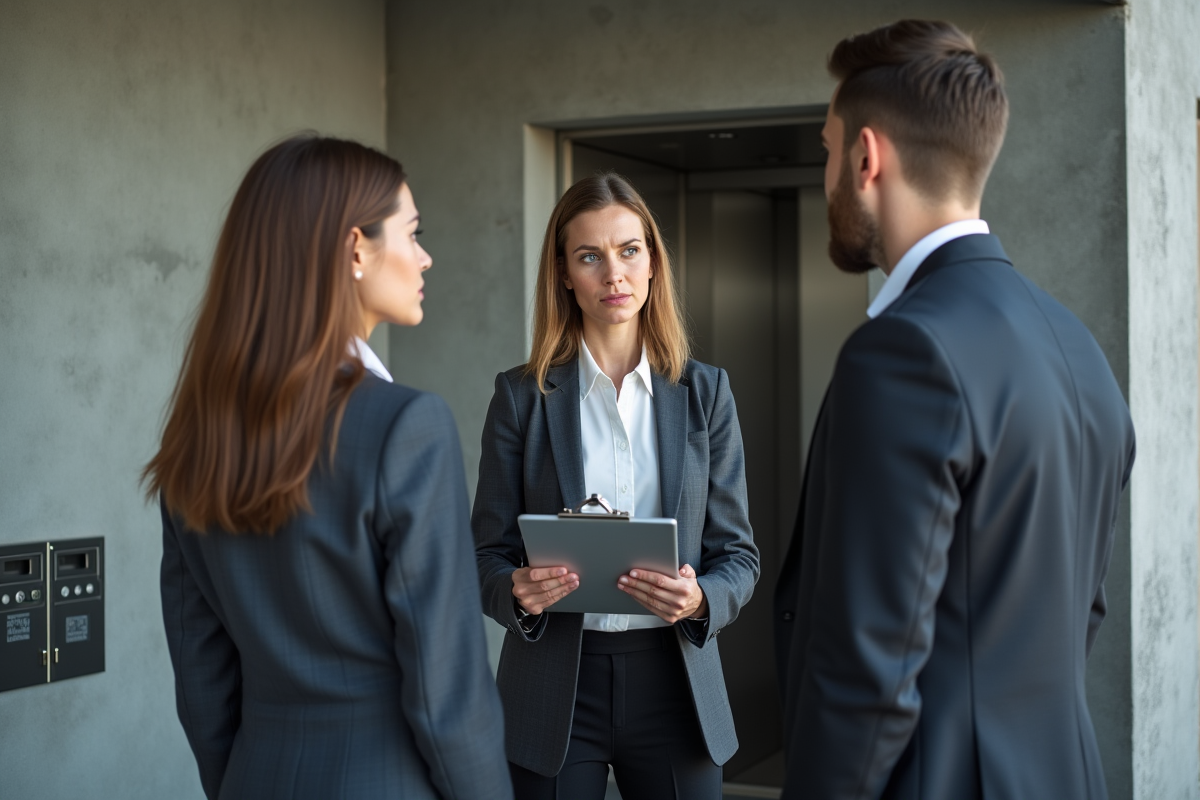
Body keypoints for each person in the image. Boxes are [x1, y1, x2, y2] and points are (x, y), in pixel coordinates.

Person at [773, 20, 1135, 800]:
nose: (826, 169)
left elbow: (866, 673)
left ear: (868, 157)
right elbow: (1082, 612)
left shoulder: (903, 354)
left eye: (829, 148)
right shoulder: (1080, 350)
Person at [144, 135, 511, 800]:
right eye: (413, 232)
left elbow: (202, 678)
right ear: (355, 250)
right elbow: (448, 696)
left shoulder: (196, 437)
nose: (426, 257)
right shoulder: (407, 425)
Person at [473, 172, 760, 799]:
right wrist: (514, 591)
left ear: (653, 263)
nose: (614, 275)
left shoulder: (706, 394)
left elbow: (739, 556)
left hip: (676, 684)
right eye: (589, 256)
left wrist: (702, 598)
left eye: (629, 250)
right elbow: (484, 556)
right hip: (551, 689)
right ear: (564, 274)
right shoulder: (521, 397)